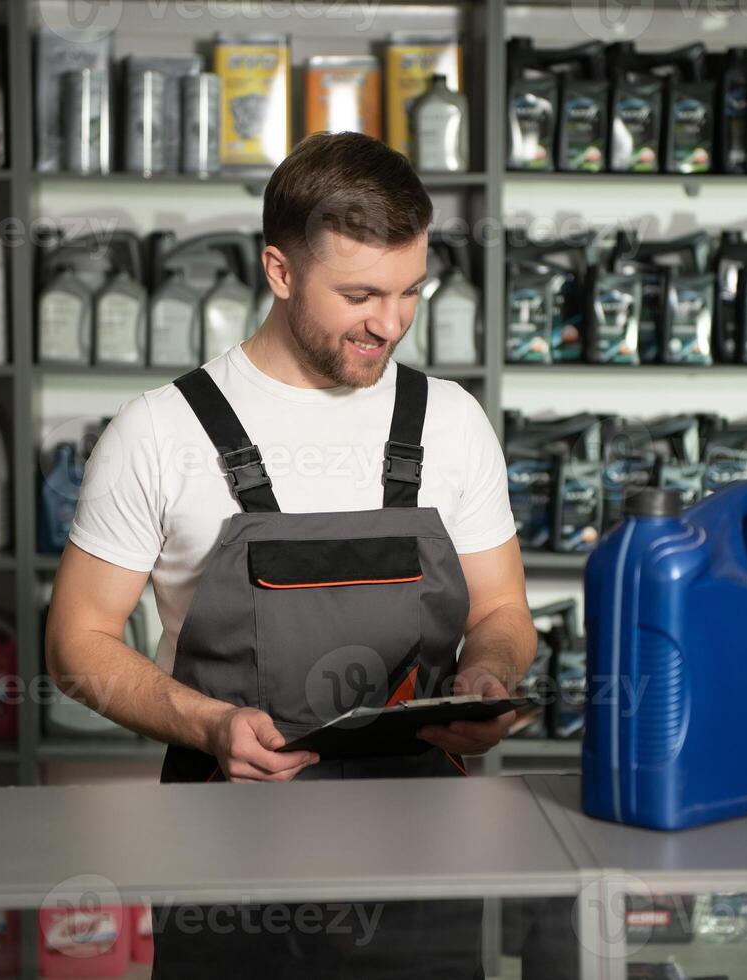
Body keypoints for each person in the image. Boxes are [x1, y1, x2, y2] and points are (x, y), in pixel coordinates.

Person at [45, 131, 537, 977]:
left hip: (422, 840)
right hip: (225, 838)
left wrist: (485, 677)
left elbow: (500, 613)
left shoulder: (450, 422)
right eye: (358, 295)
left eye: (410, 290)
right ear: (278, 271)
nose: (389, 322)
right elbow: (75, 644)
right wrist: (210, 724)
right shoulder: (161, 433)